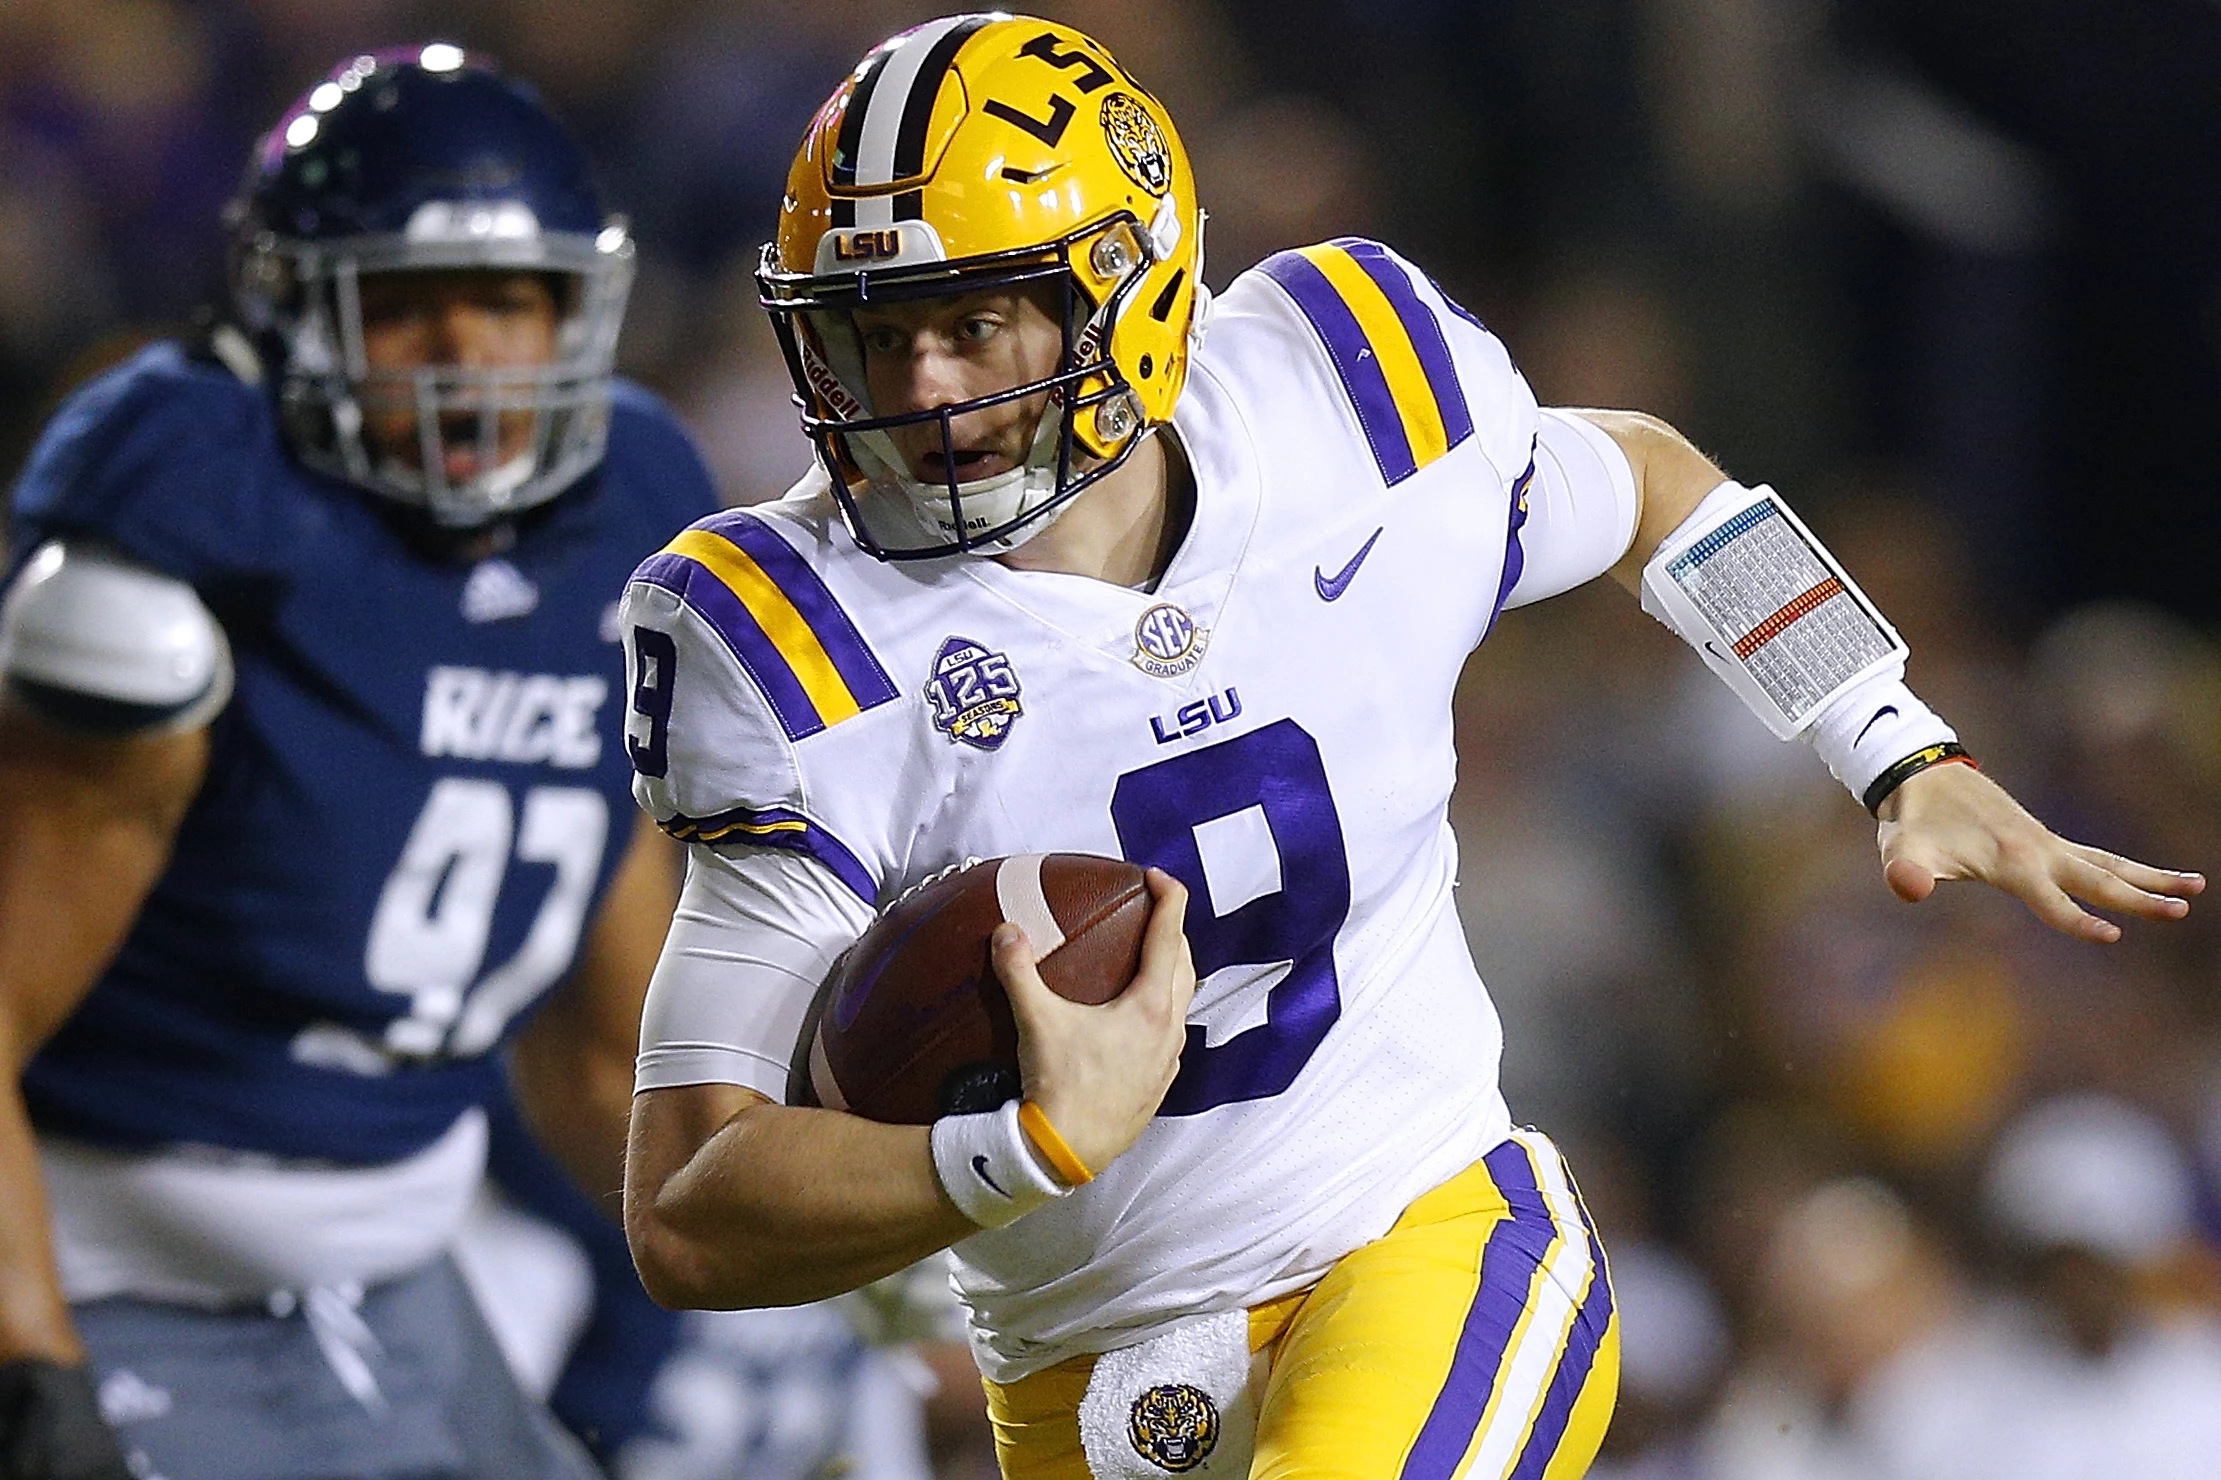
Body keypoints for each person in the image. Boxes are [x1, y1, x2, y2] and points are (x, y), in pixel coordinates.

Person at [616, 14, 2203, 1479]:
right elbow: (691, 1208)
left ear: (1131, 288)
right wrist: (1009, 1149)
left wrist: (1892, 740)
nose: (923, 390)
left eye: (973, 322)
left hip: (1425, 1236)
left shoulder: (1342, 409)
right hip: (1083, 1372)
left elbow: (1652, 486)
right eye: (876, 335)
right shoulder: (795, 643)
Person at [0, 46, 719, 1480]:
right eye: (405, 307)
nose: (465, 354)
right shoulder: (201, 523)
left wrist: (772, 1229)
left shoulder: (635, 504)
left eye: (509, 305)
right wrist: (30, 1364)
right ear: (297, 318)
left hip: (399, 1277)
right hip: (115, 1274)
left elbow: (597, 1031)